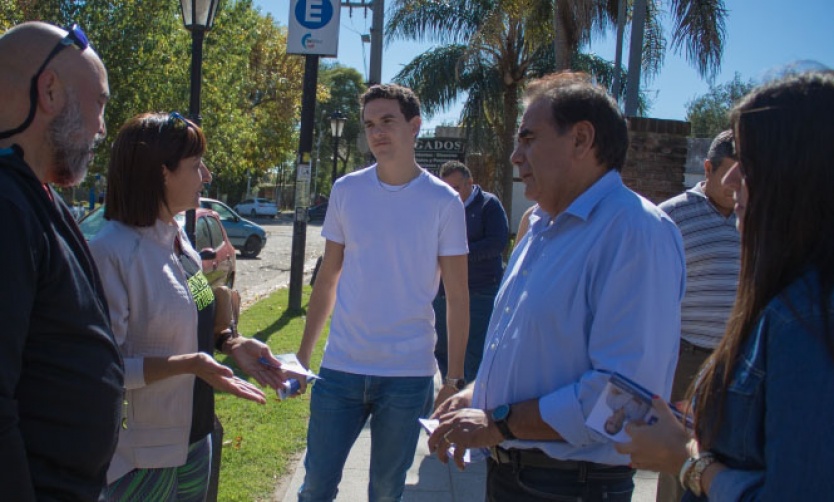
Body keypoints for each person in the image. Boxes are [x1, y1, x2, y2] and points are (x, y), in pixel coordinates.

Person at [427, 72, 686, 501]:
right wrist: (478, 395)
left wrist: (499, 422)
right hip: (515, 473)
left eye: (528, 138)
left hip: (571, 485)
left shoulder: (636, 232)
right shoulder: (541, 230)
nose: (515, 156)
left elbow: (622, 398)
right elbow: (537, 354)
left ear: (582, 140)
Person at [617, 70, 834, 501]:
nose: (733, 181)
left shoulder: (805, 322)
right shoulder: (792, 304)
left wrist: (687, 462)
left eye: (748, 165)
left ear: (798, 174)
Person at [88, 112, 284, 500]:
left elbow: (199, 309)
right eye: (196, 166)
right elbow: (102, 369)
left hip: (195, 437)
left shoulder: (178, 238)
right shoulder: (111, 252)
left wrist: (231, 342)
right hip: (141, 456)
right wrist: (192, 364)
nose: (207, 175)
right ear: (162, 173)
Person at [294, 83, 470, 502]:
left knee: (386, 491)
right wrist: (303, 356)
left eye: (387, 121)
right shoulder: (347, 190)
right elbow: (328, 278)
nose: (377, 132)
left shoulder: (444, 201)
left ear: (414, 126)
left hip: (408, 376)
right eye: (370, 124)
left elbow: (458, 297)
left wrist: (454, 378)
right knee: (316, 486)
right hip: (341, 369)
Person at [0, 22, 124, 500]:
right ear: (48, 90)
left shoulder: (39, 195)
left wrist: (224, 334)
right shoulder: (8, 206)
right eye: (100, 103)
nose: (102, 127)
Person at [655, 130, 741, 501]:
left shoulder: (754, 216)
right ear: (707, 168)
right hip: (687, 361)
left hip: (738, 360)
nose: (738, 185)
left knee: (726, 456)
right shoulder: (671, 217)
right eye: (731, 174)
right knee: (679, 457)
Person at [434, 160, 509, 382]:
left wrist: (457, 255)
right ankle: (451, 392)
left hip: (479, 291)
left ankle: (468, 402)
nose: (452, 193)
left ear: (470, 183)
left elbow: (497, 243)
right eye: (447, 188)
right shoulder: (441, 207)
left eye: (456, 188)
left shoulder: (489, 205)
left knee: (473, 353)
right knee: (442, 348)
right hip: (443, 292)